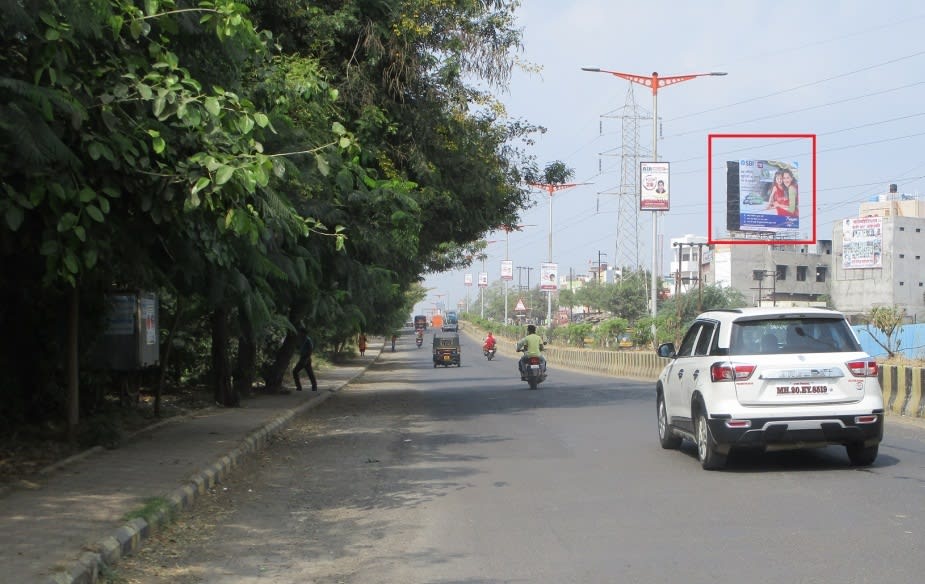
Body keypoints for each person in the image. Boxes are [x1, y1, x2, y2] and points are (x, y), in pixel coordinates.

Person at [292, 327, 318, 392]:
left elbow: (310, 349)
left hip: (305, 358)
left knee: (295, 371)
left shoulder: (308, 340)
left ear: (303, 333)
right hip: (305, 358)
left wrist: (306, 358)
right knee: (310, 372)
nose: (299, 333)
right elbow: (299, 347)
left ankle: (299, 387)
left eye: (300, 332)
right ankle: (314, 386)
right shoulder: (302, 339)